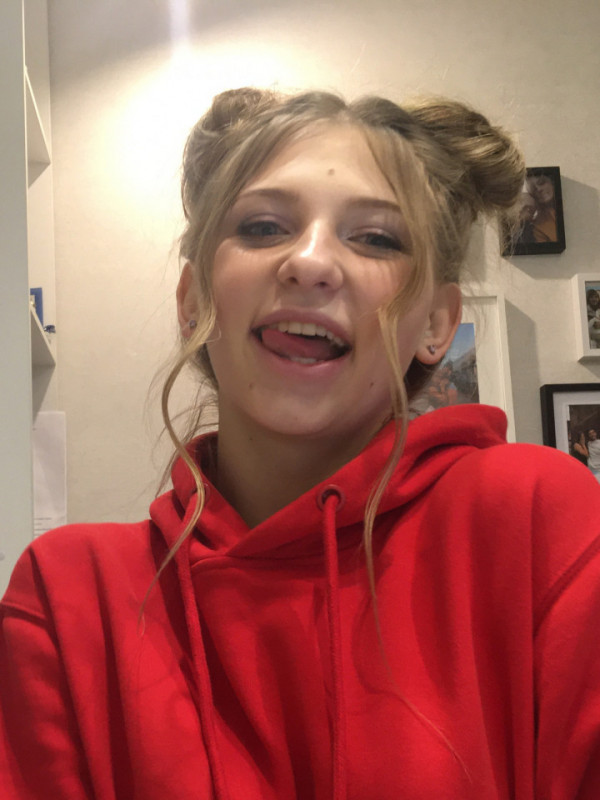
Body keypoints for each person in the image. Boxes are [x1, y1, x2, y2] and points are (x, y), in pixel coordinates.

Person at [2, 88, 600, 800]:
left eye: (376, 238)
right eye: (262, 227)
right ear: (192, 301)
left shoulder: (536, 519)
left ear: (437, 325)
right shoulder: (69, 597)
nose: (311, 262)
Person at [526, 173, 557, 243]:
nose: (539, 189)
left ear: (551, 182)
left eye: (541, 182)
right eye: (533, 189)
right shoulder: (539, 226)